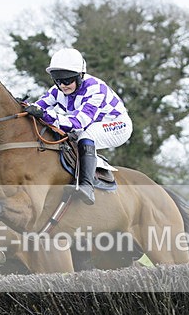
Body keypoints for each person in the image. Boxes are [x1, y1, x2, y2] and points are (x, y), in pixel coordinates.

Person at [24, 47, 133, 205]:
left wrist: (45, 115)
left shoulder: (96, 90)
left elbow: (77, 123)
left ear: (80, 76)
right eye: (58, 80)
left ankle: (86, 187)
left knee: (86, 136)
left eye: (68, 80)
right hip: (89, 123)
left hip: (117, 125)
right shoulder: (57, 90)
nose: (63, 85)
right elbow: (38, 106)